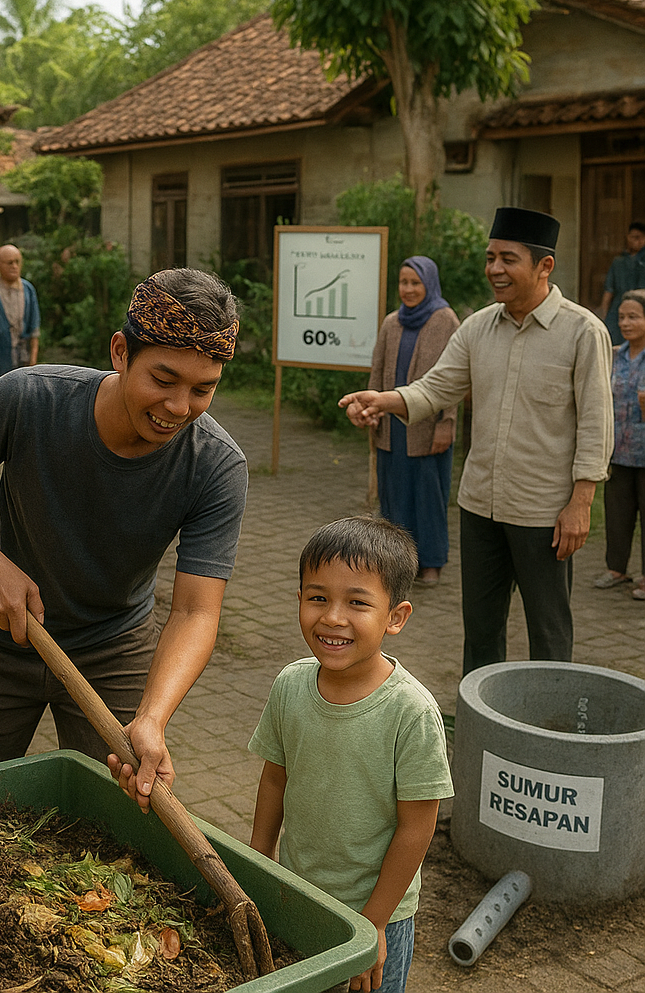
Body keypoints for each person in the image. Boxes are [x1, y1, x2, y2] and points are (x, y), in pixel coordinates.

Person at [0, 268, 248, 810]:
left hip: (112, 649)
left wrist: (152, 716)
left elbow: (196, 613)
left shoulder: (216, 467)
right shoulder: (30, 399)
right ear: (120, 352)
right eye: (163, 379)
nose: (180, 407)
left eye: (202, 389)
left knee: (112, 822)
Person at [340, 207, 613, 675]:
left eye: (508, 259)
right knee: (481, 628)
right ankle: (480, 717)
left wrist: (581, 501)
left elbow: (596, 423)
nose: (494, 269)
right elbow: (436, 387)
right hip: (480, 505)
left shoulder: (582, 331)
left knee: (548, 628)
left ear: (544, 266)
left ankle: (549, 722)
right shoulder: (479, 326)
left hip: (542, 511)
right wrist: (383, 400)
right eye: (491, 258)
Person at [249, 517, 453, 993]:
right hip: (298, 898)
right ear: (298, 600)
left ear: (396, 617)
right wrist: (257, 862)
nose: (333, 618)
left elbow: (417, 826)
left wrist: (372, 927)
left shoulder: (412, 712)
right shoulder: (290, 685)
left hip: (377, 914)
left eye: (357, 603)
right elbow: (275, 779)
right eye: (317, 597)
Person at [369, 257, 460, 585]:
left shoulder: (445, 319)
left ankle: (431, 562)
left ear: (429, 284)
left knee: (428, 494)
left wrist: (447, 422)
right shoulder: (392, 322)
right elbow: (377, 369)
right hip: (392, 428)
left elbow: (454, 377)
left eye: (415, 283)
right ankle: (396, 564)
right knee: (394, 494)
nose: (408, 290)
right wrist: (372, 407)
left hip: (427, 427)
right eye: (403, 283)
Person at [594, 290, 645, 599]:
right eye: (622, 317)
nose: (625, 323)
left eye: (634, 317)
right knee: (617, 512)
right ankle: (617, 568)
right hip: (618, 450)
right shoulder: (613, 355)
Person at [0, 243, 40, 385]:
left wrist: (33, 358)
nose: (14, 266)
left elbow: (35, 327)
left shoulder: (28, 289)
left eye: (17, 262)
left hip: (22, 354)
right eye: (9, 262)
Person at [597, 221, 645, 345]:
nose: (638, 241)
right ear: (628, 237)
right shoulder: (618, 262)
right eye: (634, 237)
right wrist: (604, 312)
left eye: (641, 238)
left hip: (641, 308)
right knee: (611, 340)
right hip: (618, 306)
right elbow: (609, 289)